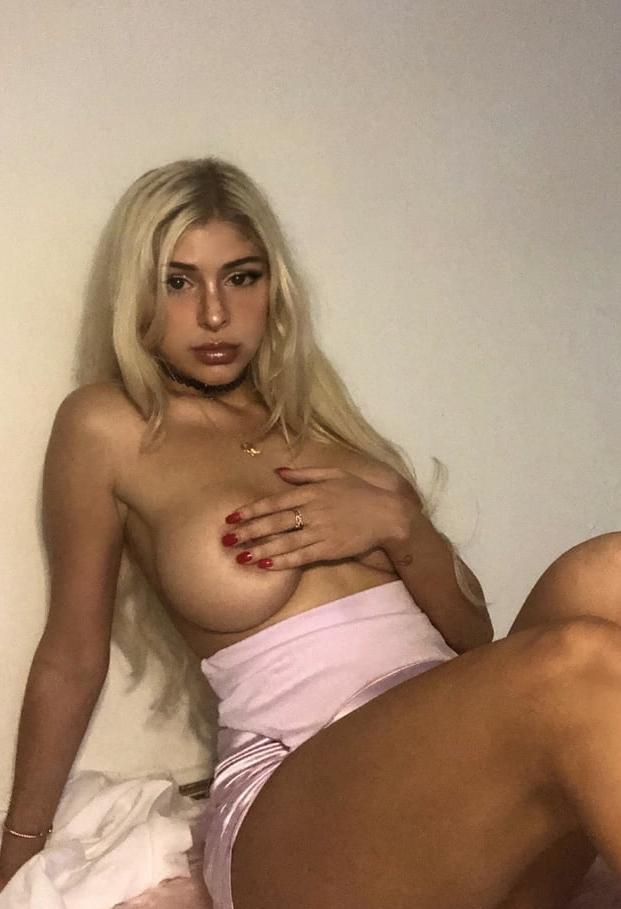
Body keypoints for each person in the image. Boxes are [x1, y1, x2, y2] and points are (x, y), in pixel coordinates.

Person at [1, 157, 621, 909]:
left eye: (241, 277)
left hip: (446, 782)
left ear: (274, 288)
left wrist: (402, 525)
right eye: (178, 282)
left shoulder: (326, 429)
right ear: (137, 292)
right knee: (574, 660)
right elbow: (72, 653)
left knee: (606, 569)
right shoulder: (109, 425)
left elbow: (473, 640)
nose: (214, 313)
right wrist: (19, 847)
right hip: (303, 798)